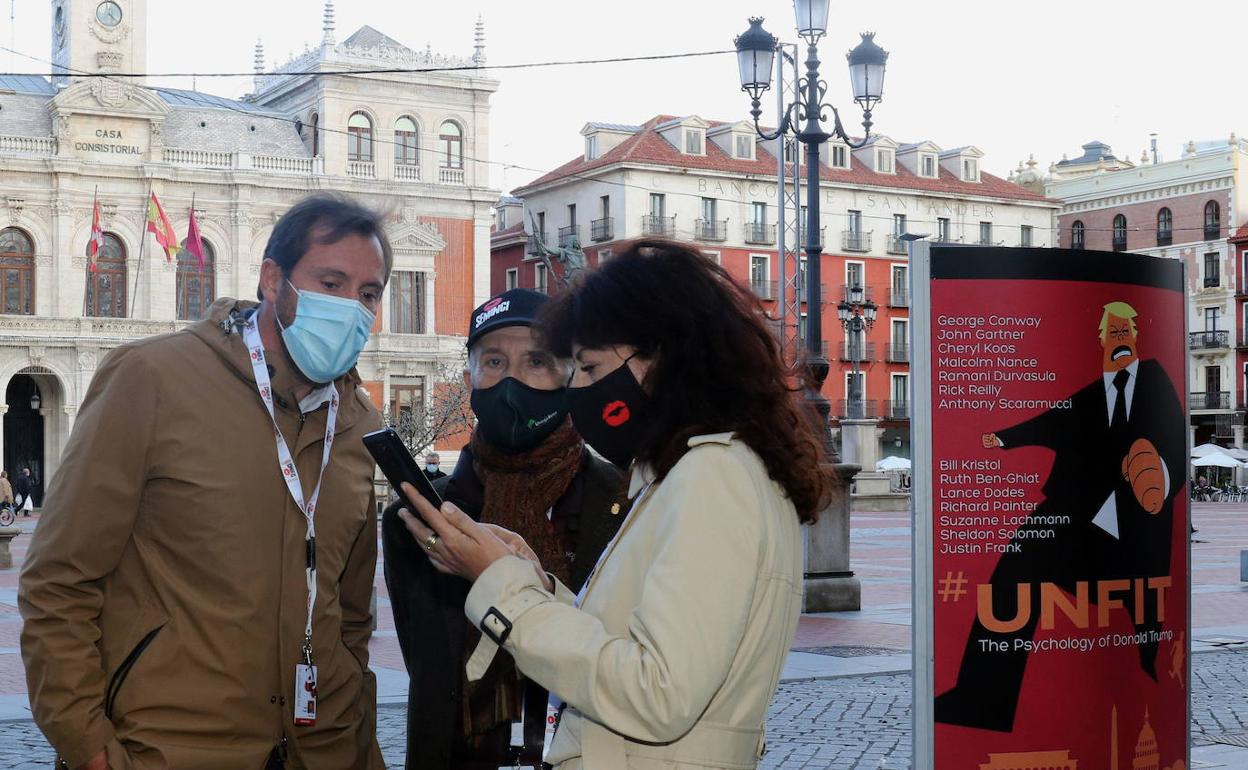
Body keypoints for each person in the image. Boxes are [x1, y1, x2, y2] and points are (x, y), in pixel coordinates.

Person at [395, 241, 831, 770]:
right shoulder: (691, 472)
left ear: (660, 357)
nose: (576, 389)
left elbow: (657, 694)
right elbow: (627, 639)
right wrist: (523, 577)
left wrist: (502, 591)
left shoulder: (713, 475)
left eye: (589, 367)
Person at [20, 194, 389, 770]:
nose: (351, 308)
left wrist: (356, 722)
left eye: (368, 294)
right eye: (332, 283)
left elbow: (352, 608)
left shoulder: (361, 423)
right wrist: (87, 745)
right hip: (173, 746)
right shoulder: (151, 378)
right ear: (273, 281)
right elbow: (58, 582)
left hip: (328, 748)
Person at [383, 288, 626, 770]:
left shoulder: (625, 499)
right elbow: (426, 666)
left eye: (536, 360)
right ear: (470, 373)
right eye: (493, 361)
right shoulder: (417, 517)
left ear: (570, 373)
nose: (511, 381)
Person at [935, 301, 1185, 732]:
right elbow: (1049, 423)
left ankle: (1150, 690)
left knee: (1145, 639)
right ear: (1103, 338)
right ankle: (981, 700)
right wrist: (1004, 439)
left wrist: (1157, 478)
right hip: (1076, 523)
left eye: (1128, 330)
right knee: (1014, 575)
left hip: (1135, 539)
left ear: (1137, 338)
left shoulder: (1156, 381)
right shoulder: (1091, 394)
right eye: (1115, 331)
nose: (1122, 338)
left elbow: (1175, 447)